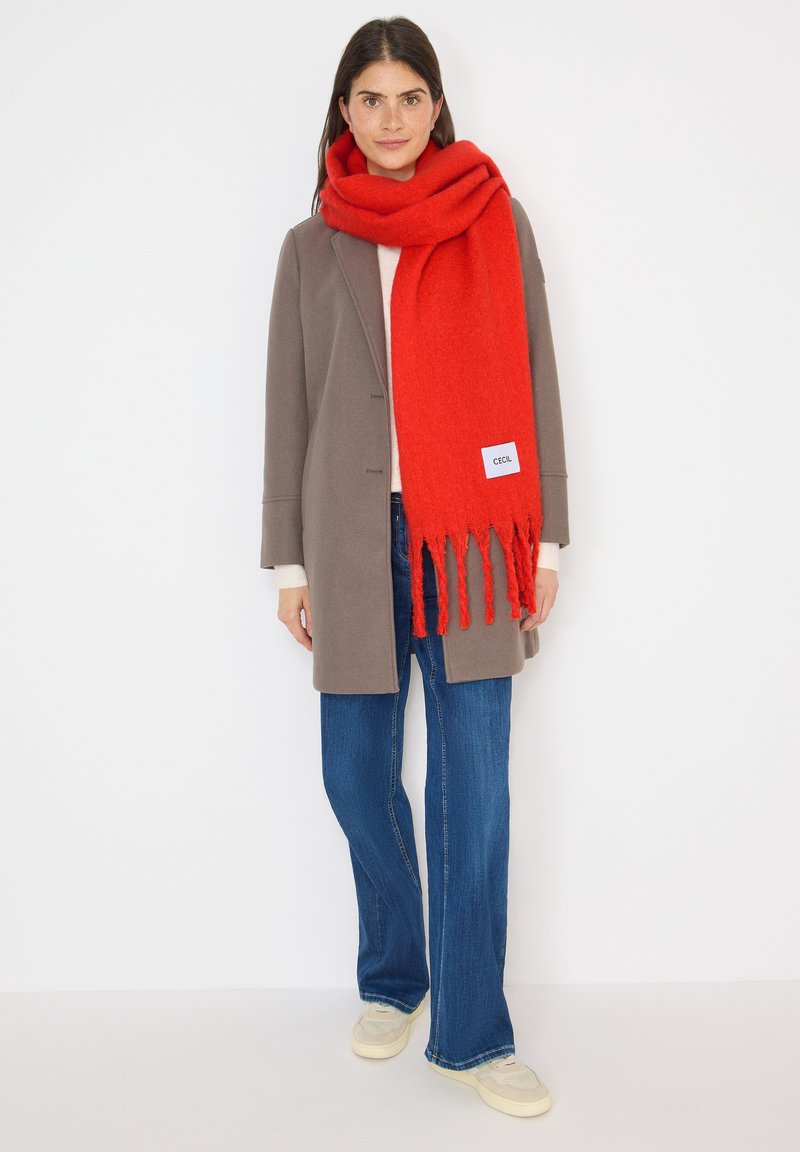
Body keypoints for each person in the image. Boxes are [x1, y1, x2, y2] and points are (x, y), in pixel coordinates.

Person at [260, 16, 570, 1119]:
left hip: (473, 543)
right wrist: (288, 563)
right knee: (354, 774)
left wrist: (543, 539)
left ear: (435, 105)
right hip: (350, 542)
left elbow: (533, 374)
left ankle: (474, 1032)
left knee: (472, 787)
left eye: (408, 96)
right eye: (369, 98)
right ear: (343, 112)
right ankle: (396, 971)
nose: (390, 118)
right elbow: (289, 407)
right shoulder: (311, 245)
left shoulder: (494, 218)